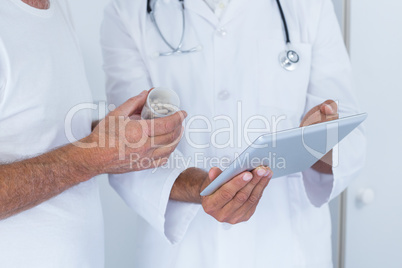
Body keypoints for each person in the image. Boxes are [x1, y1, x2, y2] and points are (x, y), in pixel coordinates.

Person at [100, 0, 366, 267]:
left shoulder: (309, 6)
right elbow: (123, 149)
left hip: (287, 247)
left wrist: (320, 141)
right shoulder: (128, 9)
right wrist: (201, 188)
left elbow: (348, 135)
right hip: (182, 254)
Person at [0, 0, 187, 267]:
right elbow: (83, 156)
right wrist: (93, 156)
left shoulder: (57, 8)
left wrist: (117, 135)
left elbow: (48, 132)